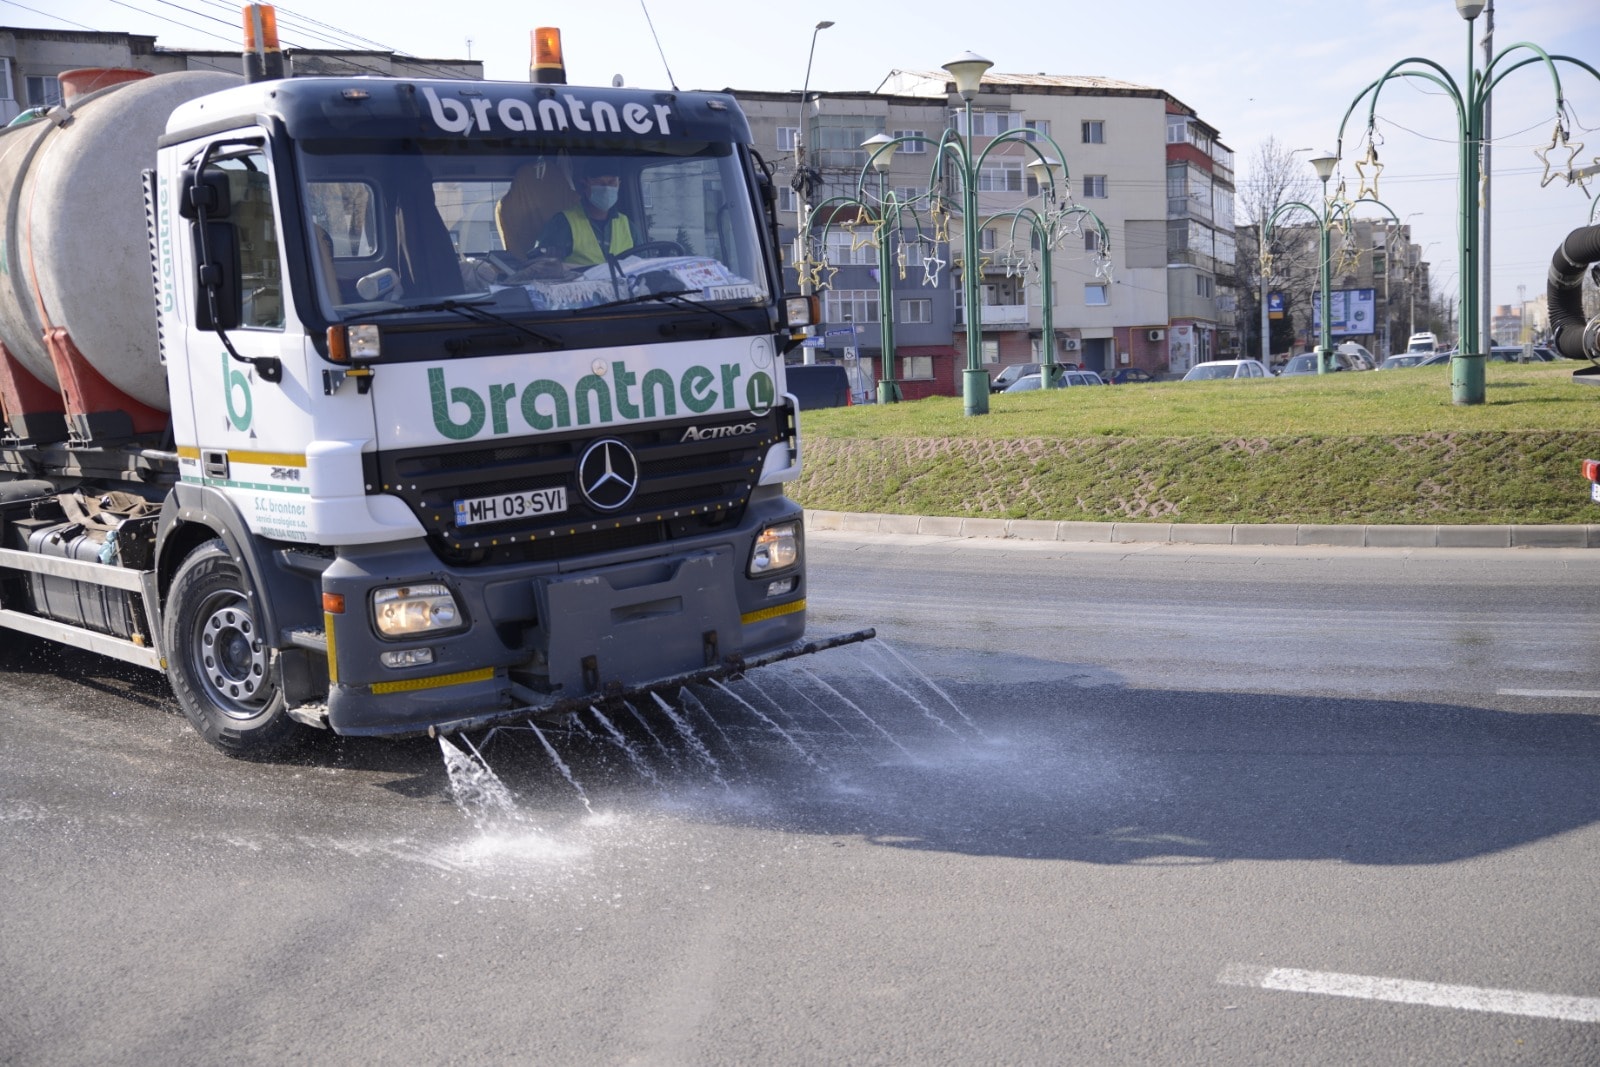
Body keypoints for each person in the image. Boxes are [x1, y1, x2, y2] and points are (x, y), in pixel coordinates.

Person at [530, 158, 638, 268]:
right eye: (599, 182)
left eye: (611, 182)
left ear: (618, 184)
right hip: (575, 284)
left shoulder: (628, 225)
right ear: (585, 184)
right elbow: (543, 265)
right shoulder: (562, 222)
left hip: (622, 284)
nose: (606, 188)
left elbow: (642, 263)